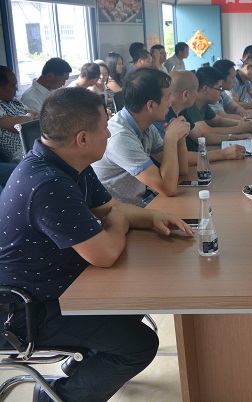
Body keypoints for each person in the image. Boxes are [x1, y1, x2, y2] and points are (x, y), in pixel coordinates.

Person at [0, 86, 193, 402]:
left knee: (133, 301)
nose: (109, 133)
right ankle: (54, 397)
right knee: (138, 345)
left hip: (61, 289)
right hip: (26, 311)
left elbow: (110, 208)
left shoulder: (68, 162)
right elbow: (105, 253)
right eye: (104, 127)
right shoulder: (48, 184)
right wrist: (118, 224)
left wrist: (153, 217)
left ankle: (77, 367)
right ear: (82, 138)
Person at [92, 68, 190, 206]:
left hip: (142, 203)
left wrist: (180, 136)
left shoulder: (146, 126)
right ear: (151, 105)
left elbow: (182, 170)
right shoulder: (121, 138)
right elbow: (168, 188)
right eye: (168, 97)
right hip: (121, 212)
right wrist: (171, 138)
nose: (170, 103)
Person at [155, 70, 246, 162]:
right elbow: (175, 158)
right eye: (196, 90)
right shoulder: (163, 116)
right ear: (186, 95)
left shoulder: (181, 110)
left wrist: (234, 138)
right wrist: (223, 154)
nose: (197, 94)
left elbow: (200, 135)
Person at [184, 66, 252, 151]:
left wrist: (241, 123)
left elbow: (219, 120)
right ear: (205, 89)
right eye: (219, 89)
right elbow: (206, 132)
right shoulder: (190, 106)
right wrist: (239, 129)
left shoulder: (203, 104)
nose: (221, 94)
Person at [0, 66, 37, 163]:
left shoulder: (13, 101)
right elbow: (16, 126)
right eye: (12, 86)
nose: (16, 89)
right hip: (22, 154)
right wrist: (30, 115)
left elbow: (38, 115)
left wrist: (26, 118)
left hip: (36, 144)